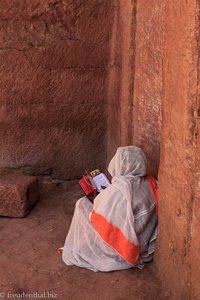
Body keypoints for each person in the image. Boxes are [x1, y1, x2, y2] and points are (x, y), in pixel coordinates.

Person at [62, 146, 158, 272]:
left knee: (81, 204)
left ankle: (88, 244)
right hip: (142, 241)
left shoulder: (117, 190)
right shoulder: (151, 183)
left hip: (120, 247)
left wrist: (97, 197)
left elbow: (97, 215)